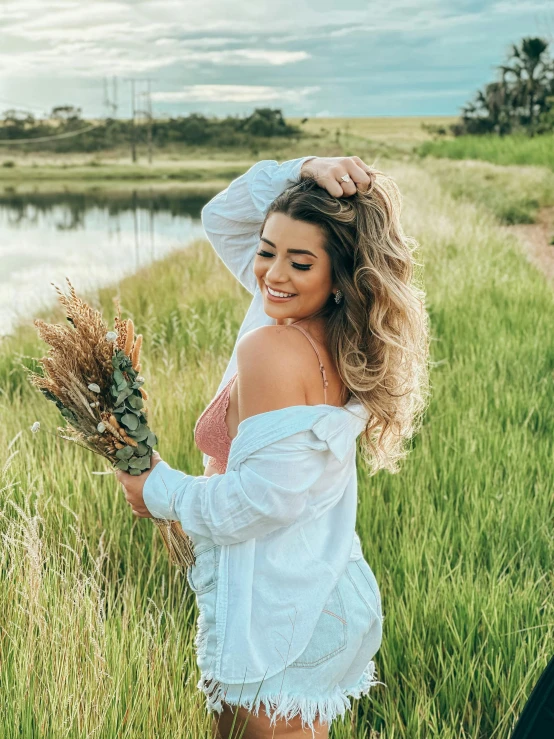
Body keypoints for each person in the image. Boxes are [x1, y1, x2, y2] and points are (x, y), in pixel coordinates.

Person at [116, 155, 431, 738]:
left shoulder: (273, 349)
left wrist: (155, 487)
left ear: (340, 275)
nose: (272, 275)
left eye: (300, 260)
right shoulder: (341, 335)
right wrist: (306, 170)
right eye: (267, 251)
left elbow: (257, 503)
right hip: (323, 592)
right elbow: (222, 216)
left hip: (276, 619)